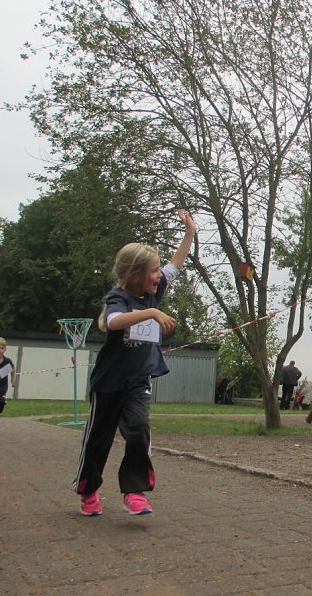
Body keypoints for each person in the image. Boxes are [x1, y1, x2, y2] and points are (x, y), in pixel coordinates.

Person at [72, 209, 196, 517]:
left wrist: (190, 232)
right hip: (109, 382)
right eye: (153, 271)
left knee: (139, 430)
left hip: (139, 380)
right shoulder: (119, 297)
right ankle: (88, 490)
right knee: (98, 441)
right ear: (135, 275)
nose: (159, 276)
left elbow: (176, 264)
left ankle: (134, 490)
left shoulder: (154, 290)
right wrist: (152, 313)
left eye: (158, 272)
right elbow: (114, 322)